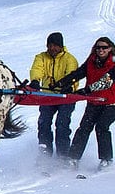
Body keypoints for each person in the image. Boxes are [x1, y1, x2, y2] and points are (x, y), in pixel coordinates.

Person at [56, 36, 115, 171]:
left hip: (111, 103)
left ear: (110, 49)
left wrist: (86, 90)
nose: (101, 50)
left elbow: (106, 81)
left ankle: (106, 159)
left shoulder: (113, 63)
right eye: (98, 47)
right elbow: (79, 73)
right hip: (94, 102)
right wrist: (62, 83)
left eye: (104, 48)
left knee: (101, 126)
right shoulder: (91, 61)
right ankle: (73, 158)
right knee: (84, 128)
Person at [28, 31, 79, 157]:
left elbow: (72, 75)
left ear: (61, 46)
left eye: (55, 45)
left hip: (65, 97)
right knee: (44, 122)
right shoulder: (41, 57)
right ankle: (45, 153)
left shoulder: (69, 59)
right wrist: (35, 80)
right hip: (48, 96)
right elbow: (37, 69)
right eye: (50, 45)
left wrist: (67, 86)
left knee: (62, 124)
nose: (52, 48)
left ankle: (63, 154)